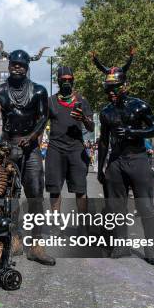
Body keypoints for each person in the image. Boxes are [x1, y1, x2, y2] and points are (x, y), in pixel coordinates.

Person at [0, 40, 52, 265]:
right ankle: (13, 237)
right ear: (8, 66)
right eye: (13, 64)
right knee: (6, 196)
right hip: (6, 147)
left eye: (21, 65)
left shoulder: (38, 90)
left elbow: (43, 117)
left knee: (35, 195)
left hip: (30, 149)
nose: (17, 68)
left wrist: (32, 137)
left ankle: (37, 245)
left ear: (27, 67)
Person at [94, 48, 154, 266]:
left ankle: (150, 248)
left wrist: (134, 133)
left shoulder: (139, 105)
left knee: (145, 206)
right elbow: (103, 140)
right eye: (108, 89)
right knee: (116, 207)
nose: (111, 93)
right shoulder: (106, 112)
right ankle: (120, 244)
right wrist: (100, 167)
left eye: (115, 88)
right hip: (116, 161)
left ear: (125, 86)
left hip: (138, 158)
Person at [45, 66, 94, 221]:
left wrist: (84, 119)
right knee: (55, 189)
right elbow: (40, 126)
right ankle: (55, 222)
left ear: (73, 80)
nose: (66, 82)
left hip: (76, 149)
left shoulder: (82, 100)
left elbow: (91, 126)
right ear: (58, 81)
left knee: (80, 189)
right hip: (55, 149)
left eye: (69, 79)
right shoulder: (50, 101)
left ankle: (83, 225)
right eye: (63, 79)